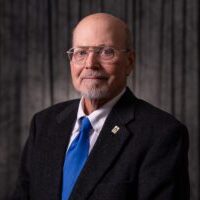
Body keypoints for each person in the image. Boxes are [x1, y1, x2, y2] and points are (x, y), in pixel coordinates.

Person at [12, 13, 189, 200]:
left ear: (129, 62)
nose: (90, 64)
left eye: (106, 52)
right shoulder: (44, 124)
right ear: (71, 60)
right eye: (81, 52)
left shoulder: (162, 134)